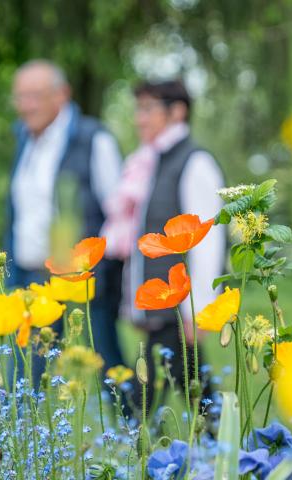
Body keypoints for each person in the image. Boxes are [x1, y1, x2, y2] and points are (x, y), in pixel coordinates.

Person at [102, 80, 226, 406]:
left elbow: (208, 240)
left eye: (148, 109)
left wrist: (197, 309)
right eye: (137, 110)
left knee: (142, 400)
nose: (138, 119)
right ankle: (224, 449)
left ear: (177, 111)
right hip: (162, 306)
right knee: (194, 389)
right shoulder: (153, 163)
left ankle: (138, 449)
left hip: (178, 306)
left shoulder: (194, 162)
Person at [4, 59, 125, 381]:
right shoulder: (24, 140)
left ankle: (130, 428)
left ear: (62, 95)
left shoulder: (93, 138)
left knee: (107, 366)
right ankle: (21, 432)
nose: (26, 106)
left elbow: (119, 214)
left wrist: (102, 276)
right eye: (20, 97)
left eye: (35, 96)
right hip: (31, 275)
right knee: (26, 373)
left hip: (82, 280)